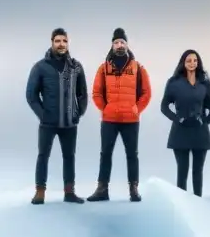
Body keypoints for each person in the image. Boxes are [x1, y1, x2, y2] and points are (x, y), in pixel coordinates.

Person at [86, 28, 152, 202]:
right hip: (109, 120)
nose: (119, 45)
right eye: (116, 42)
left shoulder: (138, 68)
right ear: (112, 45)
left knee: (132, 154)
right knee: (105, 154)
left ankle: (134, 189)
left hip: (131, 120)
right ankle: (102, 190)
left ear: (127, 44)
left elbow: (146, 92)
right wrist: (105, 109)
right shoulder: (104, 68)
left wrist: (137, 108)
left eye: (122, 42)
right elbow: (96, 93)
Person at [25, 27, 88, 205]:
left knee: (69, 157)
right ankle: (40, 192)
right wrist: (42, 115)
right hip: (48, 123)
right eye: (58, 41)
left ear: (68, 43)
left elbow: (82, 94)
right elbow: (31, 95)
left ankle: (69, 193)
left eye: (64, 41)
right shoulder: (40, 67)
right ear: (52, 42)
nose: (61, 44)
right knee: (43, 155)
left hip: (69, 123)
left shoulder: (76, 67)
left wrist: (79, 113)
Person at [160, 49, 210, 197]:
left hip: (200, 133)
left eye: (195, 60)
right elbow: (164, 106)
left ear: (198, 63)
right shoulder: (174, 83)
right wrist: (177, 119)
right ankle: (182, 205)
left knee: (198, 171)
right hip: (180, 132)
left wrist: (203, 122)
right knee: (182, 170)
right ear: (183, 63)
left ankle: (198, 203)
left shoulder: (205, 83)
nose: (192, 63)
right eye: (189, 61)